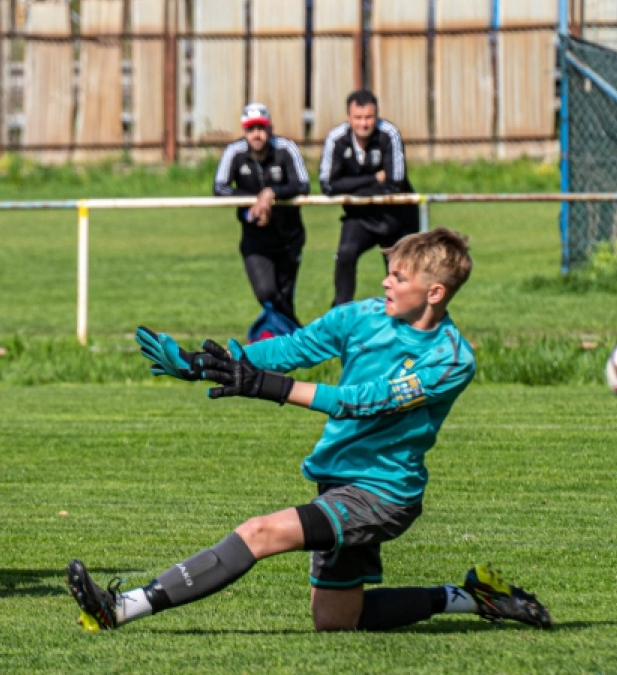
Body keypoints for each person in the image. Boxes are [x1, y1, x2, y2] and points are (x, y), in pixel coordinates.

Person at [68, 228, 552, 633]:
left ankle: (121, 607)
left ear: (434, 292)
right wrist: (198, 365)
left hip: (382, 494)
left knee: (259, 532)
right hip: (339, 480)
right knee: (337, 621)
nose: (385, 282)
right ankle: (471, 598)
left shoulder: (450, 359)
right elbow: (290, 349)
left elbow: (365, 402)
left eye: (398, 277)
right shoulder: (360, 317)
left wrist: (265, 388)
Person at [320, 89, 420, 307]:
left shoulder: (390, 133)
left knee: (401, 271)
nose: (364, 123)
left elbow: (395, 183)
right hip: (361, 217)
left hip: (397, 217)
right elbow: (328, 186)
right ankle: (340, 315)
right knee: (345, 254)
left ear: (377, 116)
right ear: (349, 118)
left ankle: (407, 320)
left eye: (369, 117)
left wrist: (349, 186)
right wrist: (374, 178)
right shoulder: (336, 139)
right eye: (358, 117)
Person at [213, 103, 310, 328]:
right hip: (255, 239)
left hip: (289, 236)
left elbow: (303, 185)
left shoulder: (287, 149)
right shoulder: (234, 152)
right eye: (251, 128)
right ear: (244, 131)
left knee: (284, 298)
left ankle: (284, 346)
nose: (257, 134)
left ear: (270, 128)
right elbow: (220, 189)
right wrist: (257, 202)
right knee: (267, 293)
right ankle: (299, 337)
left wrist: (272, 193)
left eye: (261, 128)